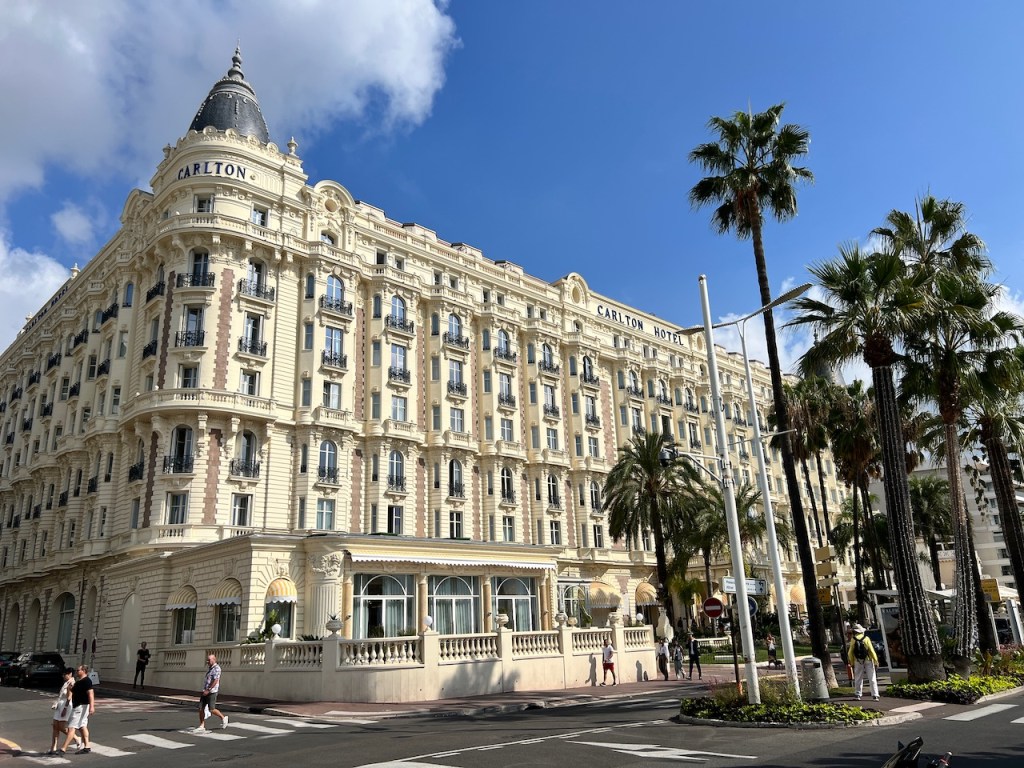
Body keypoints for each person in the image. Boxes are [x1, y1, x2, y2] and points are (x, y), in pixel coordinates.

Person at [59, 665, 94, 755]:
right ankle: (87, 746)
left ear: (83, 671)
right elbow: (71, 693)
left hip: (80, 706)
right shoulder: (79, 682)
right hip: (79, 706)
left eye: (78, 670)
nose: (77, 672)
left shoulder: (86, 681)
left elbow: (91, 694)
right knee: (82, 726)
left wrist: (92, 706)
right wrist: (69, 687)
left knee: (71, 728)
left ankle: (63, 749)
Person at [47, 668, 78, 756]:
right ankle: (53, 747)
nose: (63, 676)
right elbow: (60, 696)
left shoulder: (72, 683)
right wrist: (56, 703)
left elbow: (69, 697)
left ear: (70, 674)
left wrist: (65, 708)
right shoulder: (66, 683)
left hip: (66, 706)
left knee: (61, 726)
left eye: (65, 674)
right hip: (60, 705)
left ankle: (76, 737)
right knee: (55, 726)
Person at [196, 653, 229, 731]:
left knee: (212, 709)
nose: (207, 661)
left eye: (209, 660)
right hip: (205, 691)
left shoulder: (217, 668)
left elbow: (215, 680)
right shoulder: (210, 668)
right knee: (201, 708)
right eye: (207, 660)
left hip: (212, 691)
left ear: (214, 660)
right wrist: (205, 690)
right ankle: (202, 725)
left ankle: (223, 718)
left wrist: (209, 689)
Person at [847, 623, 880, 701]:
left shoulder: (853, 639)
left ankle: (858, 694)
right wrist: (876, 661)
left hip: (858, 661)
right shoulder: (866, 638)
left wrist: (852, 662)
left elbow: (850, 652)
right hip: (868, 659)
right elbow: (871, 650)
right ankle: (875, 695)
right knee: (872, 677)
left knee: (858, 678)